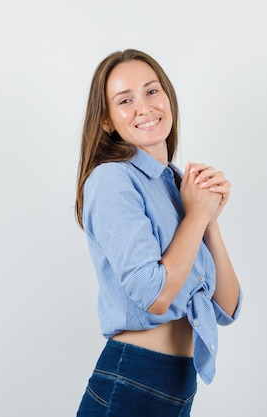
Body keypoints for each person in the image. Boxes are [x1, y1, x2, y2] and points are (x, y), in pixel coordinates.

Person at [75, 49, 242, 417]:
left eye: (152, 91)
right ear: (106, 120)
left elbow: (227, 308)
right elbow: (155, 295)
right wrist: (196, 215)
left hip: (177, 384)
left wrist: (209, 219)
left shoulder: (177, 186)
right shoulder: (112, 179)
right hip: (133, 376)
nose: (144, 107)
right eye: (125, 100)